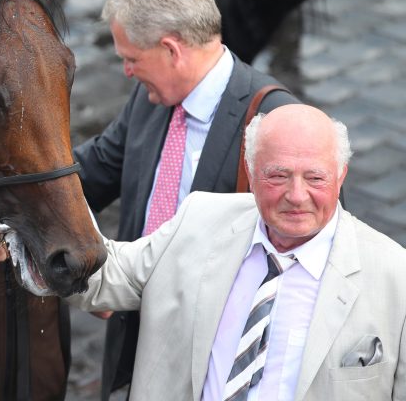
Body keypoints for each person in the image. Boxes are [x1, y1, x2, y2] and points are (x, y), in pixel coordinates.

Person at [72, 0, 300, 398]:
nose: (126, 71)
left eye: (131, 59)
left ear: (172, 49)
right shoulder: (151, 97)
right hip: (136, 352)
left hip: (216, 367)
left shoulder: (273, 121)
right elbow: (98, 168)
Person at [68, 104, 406, 400]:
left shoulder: (395, 277)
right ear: (251, 172)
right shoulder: (199, 220)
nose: (297, 195)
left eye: (315, 178)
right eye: (278, 175)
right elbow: (107, 277)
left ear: (340, 175)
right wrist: (32, 213)